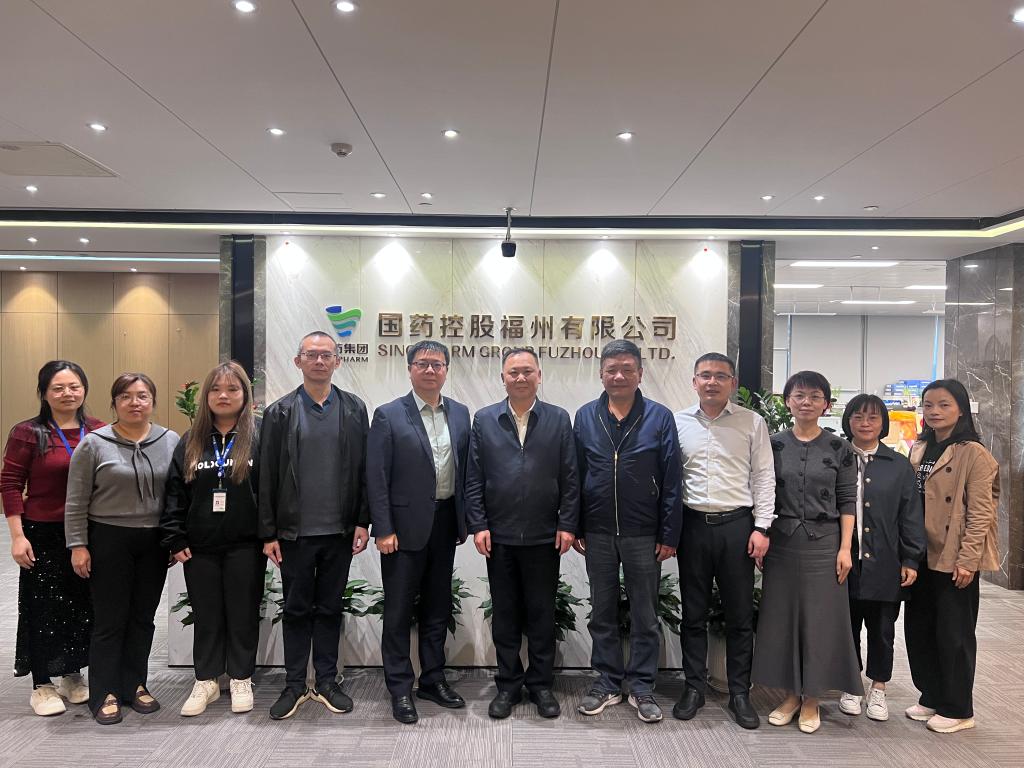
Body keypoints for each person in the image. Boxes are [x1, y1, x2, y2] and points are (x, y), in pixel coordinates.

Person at [259, 331, 370, 720]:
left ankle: (326, 681)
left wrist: (363, 520)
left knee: (329, 607)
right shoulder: (280, 412)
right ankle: (293, 684)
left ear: (337, 361)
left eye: (326, 355)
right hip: (295, 534)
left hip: (340, 532)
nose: (319, 361)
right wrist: (268, 532)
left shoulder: (354, 408)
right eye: (311, 355)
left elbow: (364, 470)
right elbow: (267, 475)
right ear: (298, 362)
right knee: (295, 608)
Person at [466, 347, 579, 720]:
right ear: (502, 378)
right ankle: (508, 685)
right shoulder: (485, 419)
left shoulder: (558, 419)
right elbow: (474, 477)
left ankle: (541, 685)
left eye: (527, 371)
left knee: (542, 614)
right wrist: (478, 524)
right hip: (499, 537)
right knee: (506, 615)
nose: (520, 377)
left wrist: (567, 524)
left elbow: (570, 476)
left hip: (545, 536)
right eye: (513, 372)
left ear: (539, 376)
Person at [573, 339, 682, 724]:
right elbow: (575, 475)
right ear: (601, 374)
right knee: (602, 611)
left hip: (644, 532)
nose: (619, 376)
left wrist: (669, 533)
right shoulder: (586, 416)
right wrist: (576, 524)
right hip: (598, 531)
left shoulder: (659, 417)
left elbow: (672, 479)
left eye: (627, 369)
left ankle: (641, 685)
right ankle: (606, 682)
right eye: (611, 370)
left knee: (645, 613)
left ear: (640, 373)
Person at [750, 370, 861, 734]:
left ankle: (812, 697)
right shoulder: (772, 444)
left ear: (826, 404)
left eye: (815, 396)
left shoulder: (840, 448)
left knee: (820, 621)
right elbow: (762, 491)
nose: (806, 402)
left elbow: (847, 501)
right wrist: (762, 533)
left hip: (825, 543)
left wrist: (846, 548)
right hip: (782, 542)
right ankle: (789, 695)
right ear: (787, 401)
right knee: (782, 619)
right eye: (799, 395)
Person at [64, 373, 178, 724]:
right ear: (114, 403)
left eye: (142, 396)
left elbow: (177, 495)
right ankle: (105, 691)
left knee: (143, 617)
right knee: (110, 619)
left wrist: (174, 538)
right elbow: (76, 500)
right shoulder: (94, 443)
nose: (134, 403)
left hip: (153, 541)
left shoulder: (169, 440)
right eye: (125, 396)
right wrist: (78, 545)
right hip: (108, 538)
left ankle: (134, 684)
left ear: (153, 402)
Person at [368, 340, 471, 725]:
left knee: (437, 606)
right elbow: (376, 476)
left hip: (445, 523)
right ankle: (399, 687)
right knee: (398, 611)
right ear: (410, 368)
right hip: (401, 529)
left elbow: (467, 469)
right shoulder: (389, 415)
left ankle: (432, 679)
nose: (430, 370)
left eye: (437, 364)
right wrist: (383, 528)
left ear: (446, 370)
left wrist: (465, 520)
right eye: (423, 363)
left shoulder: (460, 413)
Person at [673, 352, 774, 729]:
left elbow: (764, 476)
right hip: (692, 526)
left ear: (733, 382)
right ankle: (693, 688)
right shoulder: (677, 422)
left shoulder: (752, 422)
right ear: (694, 382)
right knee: (693, 614)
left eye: (720, 375)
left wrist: (762, 527)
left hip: (738, 527)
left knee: (739, 615)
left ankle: (739, 693)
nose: (712, 382)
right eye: (705, 375)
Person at [161, 361, 265, 717]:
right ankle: (206, 679)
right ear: (206, 396)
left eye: (232, 389)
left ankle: (240, 677)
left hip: (246, 544)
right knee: (206, 614)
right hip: (200, 546)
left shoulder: (258, 438)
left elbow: (271, 491)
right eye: (216, 390)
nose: (224, 396)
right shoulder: (191, 440)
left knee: (243, 613)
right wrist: (175, 538)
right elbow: (175, 492)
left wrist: (269, 535)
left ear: (245, 395)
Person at [1, 361, 104, 716]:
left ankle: (72, 674)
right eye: (58, 388)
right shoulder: (28, 433)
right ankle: (42, 684)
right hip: (42, 531)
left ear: (84, 389)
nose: (67, 393)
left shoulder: (98, 430)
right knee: (43, 608)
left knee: (81, 604)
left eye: (74, 386)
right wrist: (17, 536)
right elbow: (10, 485)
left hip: (88, 531)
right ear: (44, 393)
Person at [905, 379, 999, 734]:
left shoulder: (973, 453)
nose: (934, 411)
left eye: (944, 404)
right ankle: (931, 694)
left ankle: (959, 708)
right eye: (928, 405)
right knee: (920, 628)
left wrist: (968, 559)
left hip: (952, 554)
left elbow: (981, 512)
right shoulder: (921, 447)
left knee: (953, 633)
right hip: (920, 551)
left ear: (961, 409)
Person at [837, 394, 925, 722]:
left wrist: (911, 558)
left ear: (883, 423)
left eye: (872, 417)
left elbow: (911, 515)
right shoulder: (836, 457)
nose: (865, 423)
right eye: (858, 416)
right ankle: (851, 685)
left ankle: (878, 687)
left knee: (882, 629)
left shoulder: (898, 465)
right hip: (844, 560)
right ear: (847, 421)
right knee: (846, 627)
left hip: (886, 561)